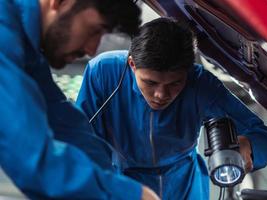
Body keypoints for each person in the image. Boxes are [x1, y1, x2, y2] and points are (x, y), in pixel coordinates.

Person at [76, 17, 267, 200]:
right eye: (150, 82)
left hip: (184, 186)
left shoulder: (200, 84)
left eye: (174, 84)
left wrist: (248, 147)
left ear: (188, 71)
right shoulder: (103, 72)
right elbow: (82, 140)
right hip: (123, 183)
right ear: (132, 64)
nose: (160, 95)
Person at [0, 0, 159, 199]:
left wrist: (113, 179)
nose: (92, 50)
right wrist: (128, 194)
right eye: (95, 30)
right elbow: (30, 155)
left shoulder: (24, 43)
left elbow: (62, 121)